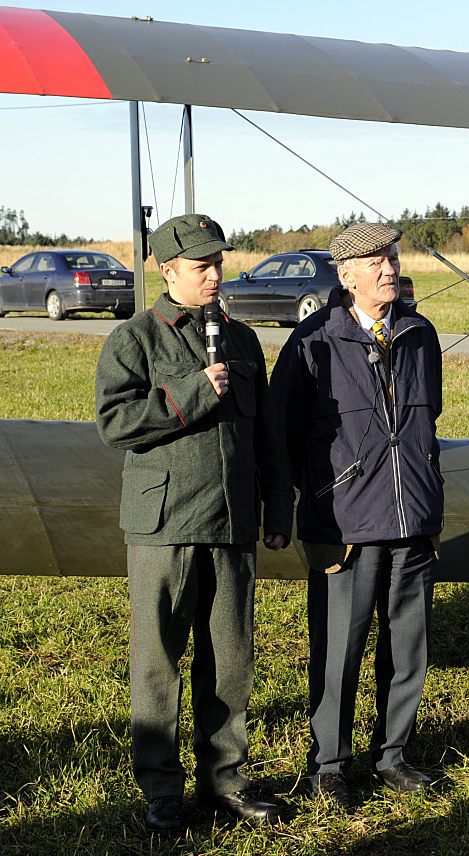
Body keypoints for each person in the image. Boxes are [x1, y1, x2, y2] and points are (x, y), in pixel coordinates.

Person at [95, 214, 293, 834]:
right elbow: (115, 422)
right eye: (201, 266)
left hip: (231, 520)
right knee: (159, 658)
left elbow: (265, 435)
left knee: (230, 659)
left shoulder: (240, 341)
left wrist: (277, 507)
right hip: (164, 525)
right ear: (167, 269)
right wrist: (191, 392)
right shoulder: (134, 339)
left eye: (218, 264)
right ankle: (161, 790)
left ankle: (225, 781)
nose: (214, 276)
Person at [269, 222, 443, 809]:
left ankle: (394, 756)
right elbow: (283, 434)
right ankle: (330, 765)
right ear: (345, 276)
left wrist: (426, 496)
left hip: (414, 520)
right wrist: (324, 494)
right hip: (345, 527)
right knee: (339, 650)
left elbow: (427, 425)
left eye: (391, 257)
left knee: (408, 647)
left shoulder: (420, 333)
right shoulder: (314, 341)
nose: (387, 268)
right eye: (372, 261)